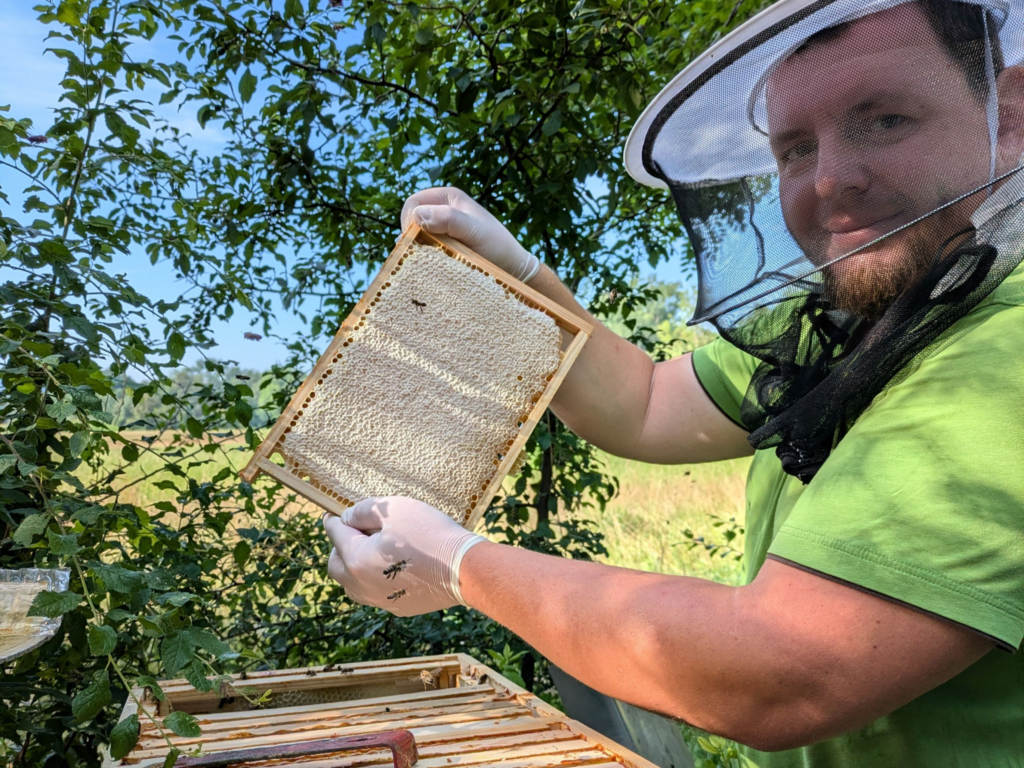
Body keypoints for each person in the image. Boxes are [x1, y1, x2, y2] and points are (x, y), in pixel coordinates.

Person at [323, 0, 1024, 764]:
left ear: (1011, 117)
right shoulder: (858, 318)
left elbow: (779, 670)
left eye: (885, 119)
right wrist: (524, 279)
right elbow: (649, 406)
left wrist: (458, 565)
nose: (829, 180)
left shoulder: (1007, 352)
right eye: (794, 149)